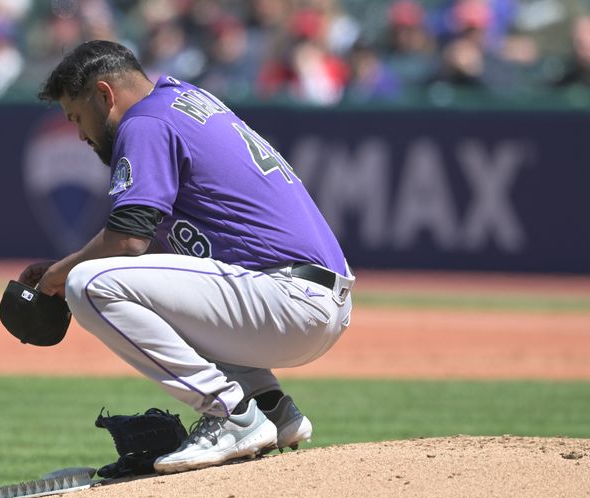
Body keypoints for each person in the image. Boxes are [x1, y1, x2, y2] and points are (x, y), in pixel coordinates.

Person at [22, 40, 354, 474]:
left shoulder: (143, 122)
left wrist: (58, 273)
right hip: (310, 297)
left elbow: (127, 241)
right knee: (159, 283)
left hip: (287, 297)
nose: (81, 134)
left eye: (77, 117)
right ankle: (267, 404)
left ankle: (230, 414)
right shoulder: (183, 100)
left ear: (104, 95)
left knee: (88, 283)